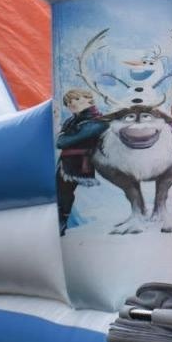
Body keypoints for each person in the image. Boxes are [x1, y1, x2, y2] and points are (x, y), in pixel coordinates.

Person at [55, 88, 107, 236]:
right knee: (61, 193)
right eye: (69, 102)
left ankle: (61, 224)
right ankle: (60, 223)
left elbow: (62, 141)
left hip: (78, 164)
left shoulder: (97, 121)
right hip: (65, 162)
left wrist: (67, 137)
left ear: (89, 99)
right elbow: (61, 140)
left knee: (64, 194)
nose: (72, 103)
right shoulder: (73, 121)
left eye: (76, 99)